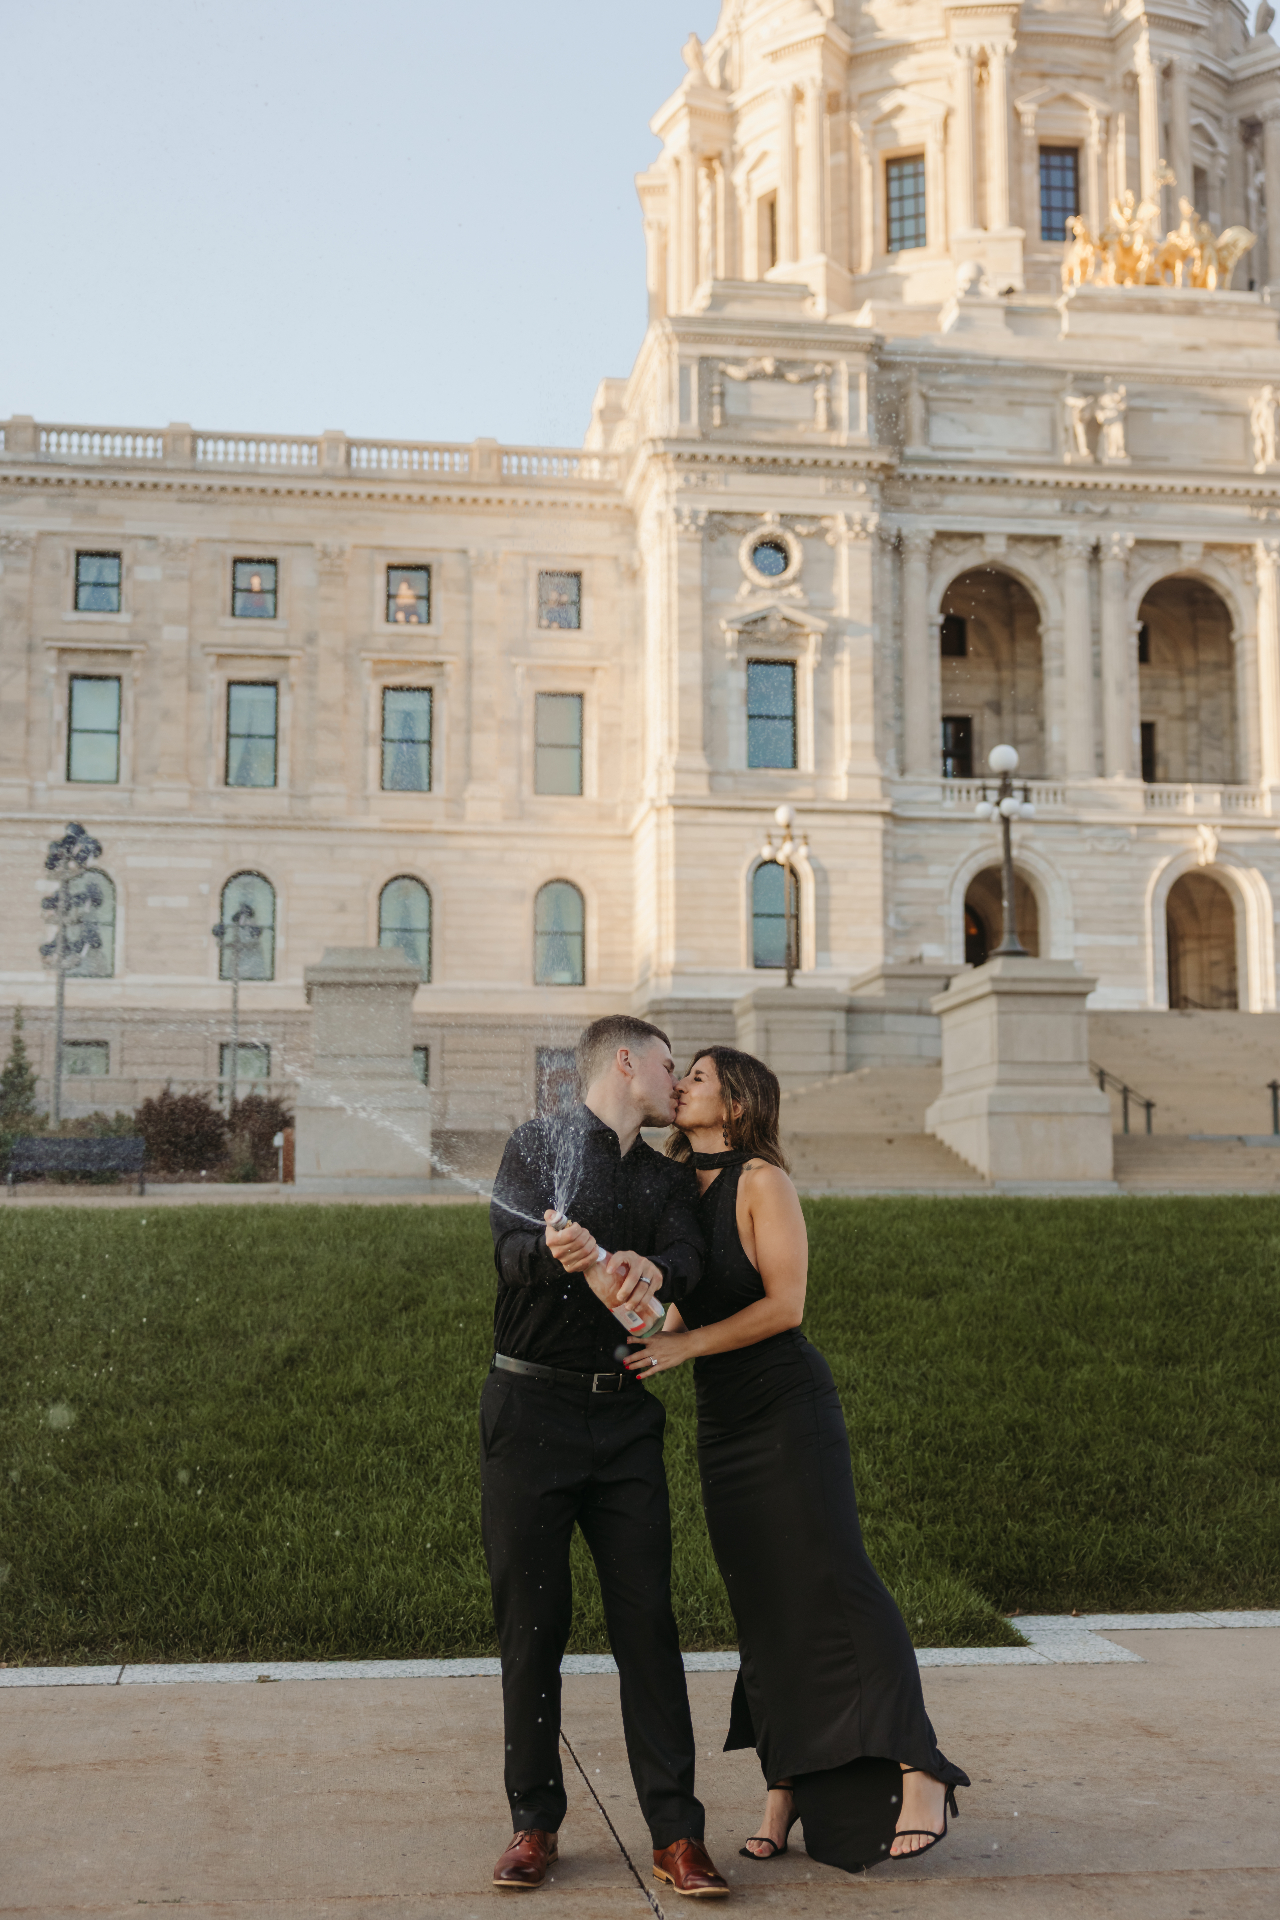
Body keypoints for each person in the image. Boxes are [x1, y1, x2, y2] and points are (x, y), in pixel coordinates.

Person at [624, 1045, 969, 1875]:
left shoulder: (760, 1182)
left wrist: (686, 1344)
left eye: (697, 1077)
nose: (682, 1086)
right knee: (763, 1603)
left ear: (737, 1103)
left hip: (786, 1410)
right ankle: (787, 1785)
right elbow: (666, 1303)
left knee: (837, 1580)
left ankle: (920, 1766)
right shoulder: (673, 1191)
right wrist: (628, 1306)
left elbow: (787, 1303)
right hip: (723, 1419)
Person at [483, 1014, 730, 1897]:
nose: (677, 1081)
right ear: (628, 1062)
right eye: (670, 1066)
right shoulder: (537, 1145)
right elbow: (508, 1255)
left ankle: (677, 1835)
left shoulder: (666, 1179)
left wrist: (653, 1272)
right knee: (531, 1632)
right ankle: (532, 1825)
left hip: (624, 1423)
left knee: (648, 1630)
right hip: (529, 1415)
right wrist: (558, 1256)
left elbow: (689, 1258)